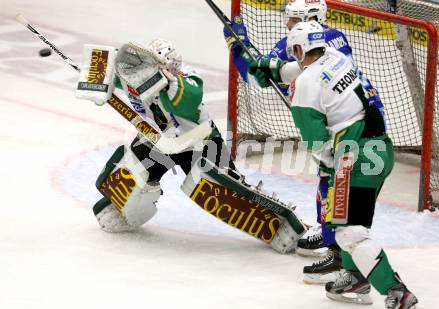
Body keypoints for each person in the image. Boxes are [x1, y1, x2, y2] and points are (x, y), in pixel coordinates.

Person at [248, 20, 418, 309]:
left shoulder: (305, 86)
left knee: (349, 232)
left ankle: (397, 292)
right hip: (379, 148)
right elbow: (303, 68)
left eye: (295, 51)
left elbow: (316, 144)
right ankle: (355, 276)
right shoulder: (337, 57)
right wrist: (274, 69)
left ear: (300, 49)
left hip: (356, 156)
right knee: (353, 223)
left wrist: (330, 168)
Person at [86, 38, 304, 254]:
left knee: (228, 193)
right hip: (157, 140)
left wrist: (162, 80)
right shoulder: (133, 71)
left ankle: (279, 223)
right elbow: (106, 61)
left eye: (172, 69)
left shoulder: (188, 78)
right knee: (130, 175)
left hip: (199, 142)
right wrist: (93, 77)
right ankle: (119, 206)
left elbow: (180, 99)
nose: (171, 71)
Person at [223, 0, 386, 284]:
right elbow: (268, 72)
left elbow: (279, 72)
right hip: (347, 117)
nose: (287, 27)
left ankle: (342, 254)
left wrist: (243, 49)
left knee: (336, 179)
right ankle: (335, 240)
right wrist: (246, 49)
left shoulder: (328, 41)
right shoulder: (309, 42)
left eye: (292, 21)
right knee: (331, 179)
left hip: (352, 122)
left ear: (311, 19)